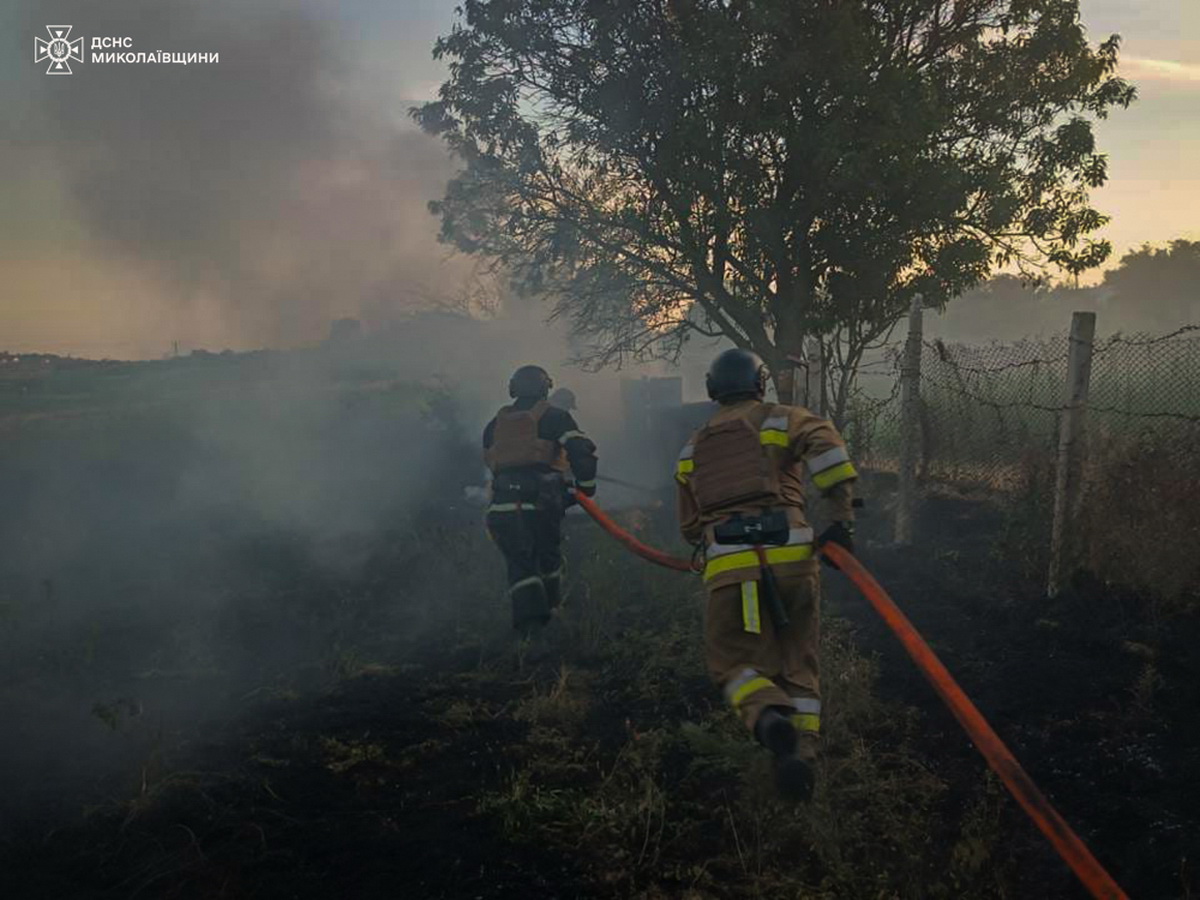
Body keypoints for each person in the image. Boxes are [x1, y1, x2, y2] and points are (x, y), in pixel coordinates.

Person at [675, 348, 857, 801]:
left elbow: (690, 527)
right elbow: (829, 451)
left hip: (731, 570)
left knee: (735, 662)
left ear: (712, 389)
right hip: (792, 557)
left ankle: (769, 717)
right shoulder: (785, 419)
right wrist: (839, 519)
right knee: (799, 659)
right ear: (759, 383)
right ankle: (804, 754)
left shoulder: (692, 448)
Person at [484, 365, 598, 653]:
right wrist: (585, 489)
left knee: (521, 566)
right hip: (541, 505)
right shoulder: (554, 417)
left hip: (502, 507)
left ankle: (532, 631)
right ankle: (546, 622)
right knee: (547, 561)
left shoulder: (494, 425)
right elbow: (582, 451)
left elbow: (494, 465)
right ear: (545, 388)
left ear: (513, 389)